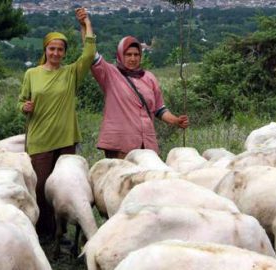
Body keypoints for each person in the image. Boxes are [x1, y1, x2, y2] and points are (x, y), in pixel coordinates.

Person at [17, 8, 96, 240]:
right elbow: (21, 101)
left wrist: (86, 24)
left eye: (60, 49)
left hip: (65, 140)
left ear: (64, 53)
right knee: (40, 189)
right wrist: (24, 107)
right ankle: (44, 232)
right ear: (45, 50)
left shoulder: (71, 73)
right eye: (52, 48)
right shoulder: (32, 74)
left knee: (64, 188)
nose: (56, 53)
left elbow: (89, 54)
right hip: (40, 140)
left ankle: (62, 232)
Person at [77, 12, 189, 159]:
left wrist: (176, 120)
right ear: (120, 55)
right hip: (120, 145)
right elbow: (90, 53)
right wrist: (86, 25)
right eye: (128, 54)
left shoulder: (149, 78)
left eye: (136, 55)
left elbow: (159, 109)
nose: (133, 58)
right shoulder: (110, 74)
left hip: (146, 144)